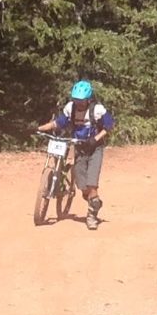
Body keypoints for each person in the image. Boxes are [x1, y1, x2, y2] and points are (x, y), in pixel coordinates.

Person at [35, 79, 115, 229]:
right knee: (82, 187)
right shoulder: (70, 108)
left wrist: (95, 139)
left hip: (94, 149)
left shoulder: (97, 110)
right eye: (76, 100)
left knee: (92, 184)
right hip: (79, 148)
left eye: (82, 100)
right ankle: (94, 202)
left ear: (88, 99)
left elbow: (109, 125)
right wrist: (41, 128)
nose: (78, 103)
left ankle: (91, 217)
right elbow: (59, 122)